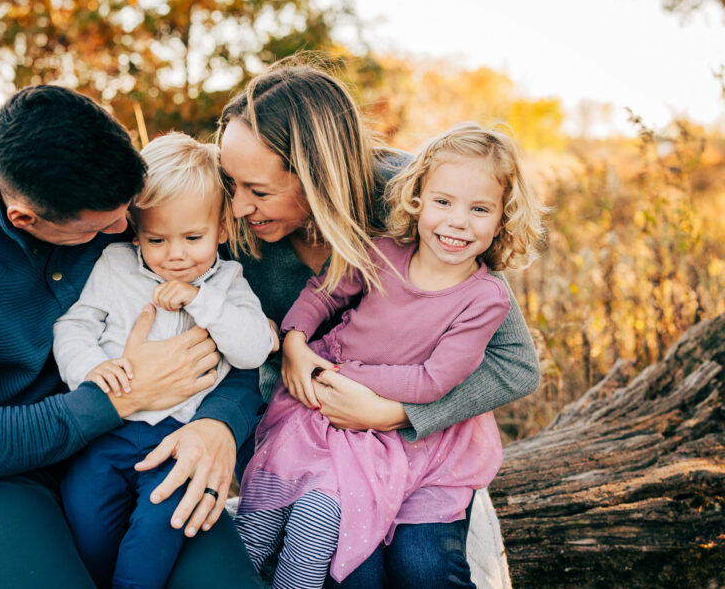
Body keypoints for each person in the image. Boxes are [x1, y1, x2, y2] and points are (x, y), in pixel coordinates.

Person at [0, 85, 265, 588]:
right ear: (26, 218)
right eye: (104, 228)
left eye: (131, 215)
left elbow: (227, 343)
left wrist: (218, 425)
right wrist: (122, 396)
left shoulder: (135, 212)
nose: (128, 230)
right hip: (0, 472)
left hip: (144, 441)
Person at [216, 60, 541, 587]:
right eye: (233, 183)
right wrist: (289, 349)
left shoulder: (424, 200)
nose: (237, 206)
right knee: (345, 570)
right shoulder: (233, 222)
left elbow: (515, 364)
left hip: (413, 439)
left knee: (420, 565)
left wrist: (400, 413)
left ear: (318, 174)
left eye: (257, 189)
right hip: (302, 429)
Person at [53, 133, 277, 589]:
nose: (175, 254)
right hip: (108, 430)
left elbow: (254, 349)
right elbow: (73, 326)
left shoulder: (228, 283)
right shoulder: (115, 265)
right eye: (157, 239)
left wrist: (203, 301)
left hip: (180, 444)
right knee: (86, 521)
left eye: (193, 237)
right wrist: (89, 368)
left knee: (160, 531)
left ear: (222, 229)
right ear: (136, 231)